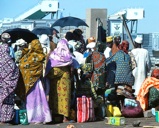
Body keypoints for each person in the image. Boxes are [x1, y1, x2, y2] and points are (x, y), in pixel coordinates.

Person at [18, 39, 52, 124]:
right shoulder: (38, 56)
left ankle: (31, 117)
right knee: (38, 100)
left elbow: (22, 66)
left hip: (28, 83)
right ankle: (38, 116)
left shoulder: (28, 56)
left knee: (31, 100)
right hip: (36, 82)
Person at [45, 39, 73, 122]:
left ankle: (55, 116)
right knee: (65, 98)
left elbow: (50, 66)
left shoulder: (54, 54)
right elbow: (72, 67)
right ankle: (65, 117)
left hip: (54, 79)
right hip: (65, 79)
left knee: (54, 96)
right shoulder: (68, 55)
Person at [105, 36, 135, 108]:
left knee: (116, 92)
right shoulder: (128, 55)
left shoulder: (117, 54)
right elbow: (133, 66)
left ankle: (118, 107)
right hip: (129, 79)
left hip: (118, 79)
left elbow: (109, 61)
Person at [0, 33, 19, 124]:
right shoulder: (11, 62)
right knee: (8, 101)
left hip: (1, 86)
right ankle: (6, 119)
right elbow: (15, 72)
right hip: (9, 87)